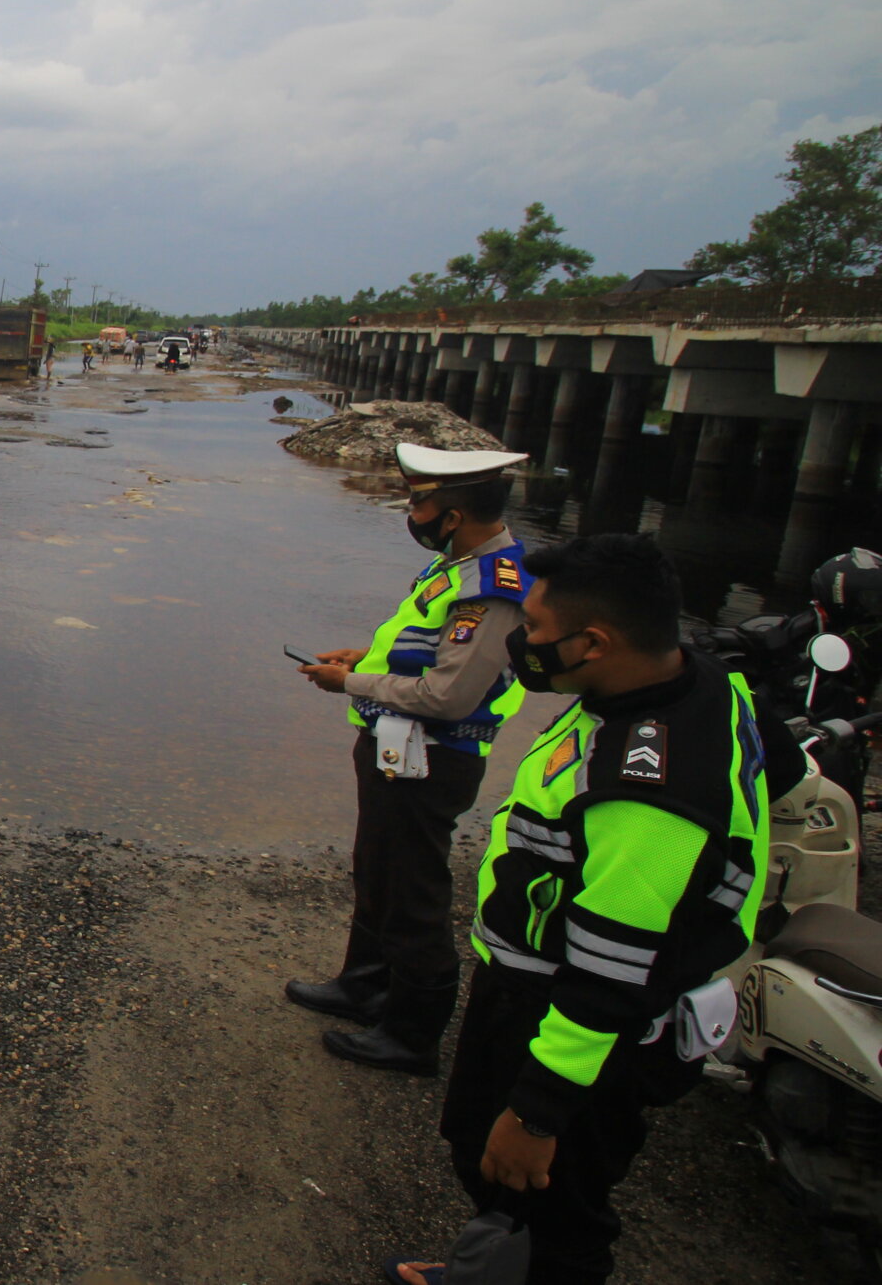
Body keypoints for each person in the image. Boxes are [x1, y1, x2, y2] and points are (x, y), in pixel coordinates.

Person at [386, 533, 769, 1285]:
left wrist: (539, 1113)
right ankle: (490, 1264)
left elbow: (610, 973)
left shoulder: (646, 795)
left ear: (594, 643)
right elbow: (778, 774)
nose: (523, 641)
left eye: (533, 629)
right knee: (481, 1149)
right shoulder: (708, 683)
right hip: (543, 981)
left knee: (552, 1193)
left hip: (569, 1013)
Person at [293, 444, 533, 1075]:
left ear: (452, 515)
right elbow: (416, 644)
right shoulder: (455, 566)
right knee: (376, 869)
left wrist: (349, 685)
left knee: (413, 890)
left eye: (420, 501)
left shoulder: (493, 588)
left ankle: (413, 1031)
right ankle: (364, 986)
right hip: (395, 748)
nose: (412, 512)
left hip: (433, 757)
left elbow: (449, 696)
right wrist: (362, 657)